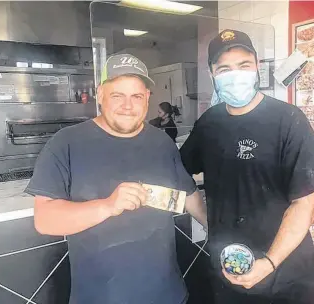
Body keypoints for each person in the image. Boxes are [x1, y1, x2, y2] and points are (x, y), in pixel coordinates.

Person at [25, 53, 207, 304]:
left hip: (169, 295)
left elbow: (187, 194)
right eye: (117, 96)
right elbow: (45, 220)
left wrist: (215, 228)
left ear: (147, 98)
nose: (128, 105)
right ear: (100, 95)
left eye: (136, 96)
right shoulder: (66, 143)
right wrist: (108, 206)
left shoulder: (161, 142)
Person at [180, 29, 314, 304]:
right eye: (224, 68)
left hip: (286, 271)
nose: (234, 74)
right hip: (229, 270)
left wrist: (270, 262)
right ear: (212, 73)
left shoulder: (288, 120)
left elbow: (305, 205)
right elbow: (180, 174)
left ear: (257, 68)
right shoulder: (209, 124)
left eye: (243, 65)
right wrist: (209, 220)